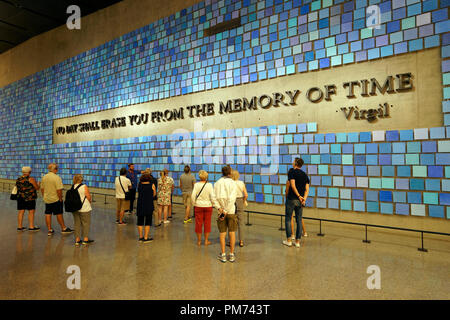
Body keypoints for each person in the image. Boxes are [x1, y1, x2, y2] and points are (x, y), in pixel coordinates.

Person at [41, 163, 73, 236]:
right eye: (57, 169)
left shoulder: (44, 177)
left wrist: (44, 196)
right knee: (59, 213)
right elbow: (59, 190)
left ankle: (49, 230)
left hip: (47, 198)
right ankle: (63, 228)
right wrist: (60, 198)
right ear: (55, 169)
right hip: (55, 199)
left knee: (48, 214)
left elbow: (42, 189)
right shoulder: (57, 177)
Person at [284, 158, 310, 248]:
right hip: (300, 201)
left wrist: (298, 196)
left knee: (288, 219)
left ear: (295, 163)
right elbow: (307, 189)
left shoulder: (292, 172)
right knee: (299, 220)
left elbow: (292, 185)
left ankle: (289, 240)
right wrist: (304, 199)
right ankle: (298, 242)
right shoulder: (305, 175)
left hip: (291, 199)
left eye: (293, 161)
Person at [214, 166, 238, 263]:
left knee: (222, 233)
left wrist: (220, 209)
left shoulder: (217, 183)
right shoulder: (233, 183)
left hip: (220, 212)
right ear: (230, 172)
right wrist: (226, 210)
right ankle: (231, 254)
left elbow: (213, 198)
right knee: (232, 233)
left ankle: (223, 254)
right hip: (231, 211)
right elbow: (232, 198)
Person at [191, 170, 220, 246]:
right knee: (207, 223)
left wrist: (194, 203)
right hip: (208, 206)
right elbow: (213, 197)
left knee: (198, 223)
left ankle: (199, 241)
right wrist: (216, 205)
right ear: (206, 177)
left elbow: (193, 196)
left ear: (199, 176)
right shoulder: (210, 185)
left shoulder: (196, 185)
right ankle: (206, 240)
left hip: (198, 206)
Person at [16, 166, 40, 232]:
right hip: (30, 198)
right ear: (29, 172)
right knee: (31, 212)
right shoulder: (31, 179)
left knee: (21, 211)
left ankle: (19, 227)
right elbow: (37, 188)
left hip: (20, 197)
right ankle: (31, 227)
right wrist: (38, 184)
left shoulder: (18, 179)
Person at [71, 174, 93, 246]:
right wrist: (90, 202)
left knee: (77, 224)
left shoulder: (72, 187)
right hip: (84, 208)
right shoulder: (84, 186)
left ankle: (77, 240)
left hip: (75, 208)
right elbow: (88, 197)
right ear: (81, 179)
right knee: (85, 223)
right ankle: (85, 239)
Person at [137, 173, 156, 243]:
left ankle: (140, 237)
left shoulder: (139, 185)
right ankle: (146, 237)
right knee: (148, 221)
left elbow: (139, 191)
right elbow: (154, 194)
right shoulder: (152, 185)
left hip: (140, 204)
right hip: (148, 204)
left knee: (140, 221)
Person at [231, 169, 248, 247]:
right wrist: (243, 201)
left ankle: (230, 240)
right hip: (240, 200)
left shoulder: (230, 183)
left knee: (231, 221)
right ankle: (241, 241)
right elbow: (246, 194)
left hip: (232, 201)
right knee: (241, 222)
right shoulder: (241, 183)